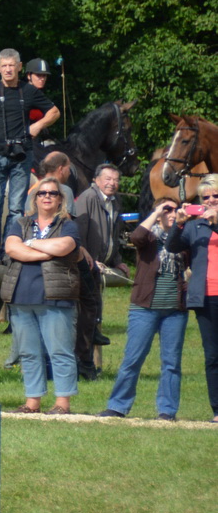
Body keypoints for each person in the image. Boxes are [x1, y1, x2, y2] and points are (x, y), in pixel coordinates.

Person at [96, 199, 190, 421]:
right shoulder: (149, 237)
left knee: (171, 362)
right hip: (144, 307)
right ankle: (118, 406)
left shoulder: (185, 238)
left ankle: (167, 411)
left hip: (175, 309)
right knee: (133, 358)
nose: (171, 213)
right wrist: (157, 211)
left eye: (175, 210)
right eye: (167, 210)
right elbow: (136, 236)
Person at [2, 176, 83, 414]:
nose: (47, 196)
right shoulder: (20, 222)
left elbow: (64, 247)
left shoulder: (68, 225)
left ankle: (62, 403)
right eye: (42, 193)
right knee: (28, 351)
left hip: (55, 296)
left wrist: (31, 244)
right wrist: (46, 250)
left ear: (60, 200)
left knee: (59, 351)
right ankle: (32, 402)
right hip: (21, 296)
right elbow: (11, 248)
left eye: (52, 193)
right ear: (34, 199)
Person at [0, 48, 58, 227]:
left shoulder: (29, 91)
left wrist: (38, 125)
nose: (8, 69)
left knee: (16, 208)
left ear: (19, 67)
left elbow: (54, 112)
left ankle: (10, 251)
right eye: (4, 66)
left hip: (22, 155)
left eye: (11, 65)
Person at [71, 163, 121, 380]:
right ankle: (85, 364)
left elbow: (114, 234)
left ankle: (87, 362)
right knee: (86, 315)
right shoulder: (88, 198)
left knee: (91, 314)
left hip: (100, 266)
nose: (112, 183)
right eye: (108, 179)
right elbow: (78, 233)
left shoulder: (114, 202)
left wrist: (117, 260)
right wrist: (88, 259)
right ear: (97, 180)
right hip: (85, 265)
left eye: (116, 180)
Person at [177, 174, 218, 424]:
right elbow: (173, 246)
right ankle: (217, 408)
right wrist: (179, 224)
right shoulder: (196, 225)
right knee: (213, 355)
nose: (212, 200)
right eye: (206, 197)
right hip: (206, 296)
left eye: (216, 196)